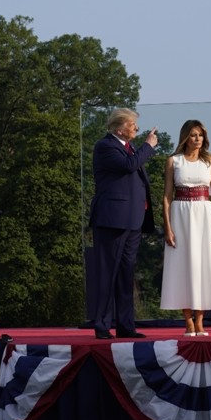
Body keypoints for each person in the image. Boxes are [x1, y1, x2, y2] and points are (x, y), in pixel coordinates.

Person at [89, 108, 156, 339]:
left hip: (132, 220)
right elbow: (129, 166)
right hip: (112, 219)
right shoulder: (106, 146)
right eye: (132, 125)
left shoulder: (130, 148)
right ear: (119, 128)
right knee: (108, 272)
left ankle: (126, 324)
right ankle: (102, 324)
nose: (136, 129)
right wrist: (149, 146)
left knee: (126, 273)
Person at [160, 119, 211, 336]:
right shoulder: (174, 161)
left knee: (203, 266)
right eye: (193, 135)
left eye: (200, 135)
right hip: (180, 215)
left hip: (205, 214)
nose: (197, 139)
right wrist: (168, 227)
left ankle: (200, 321)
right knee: (184, 265)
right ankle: (187, 320)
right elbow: (167, 196)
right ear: (185, 137)